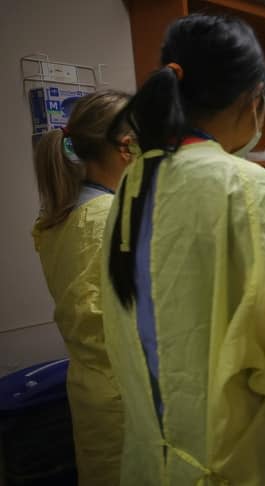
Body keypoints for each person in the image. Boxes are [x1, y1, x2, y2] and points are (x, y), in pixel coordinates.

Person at [101, 14, 265, 485]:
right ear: (252, 97)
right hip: (231, 463)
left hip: (151, 462)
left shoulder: (133, 183)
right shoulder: (243, 186)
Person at [32, 89, 132, 485]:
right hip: (126, 392)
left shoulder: (57, 218)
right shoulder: (112, 217)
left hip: (91, 389)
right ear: (127, 147)